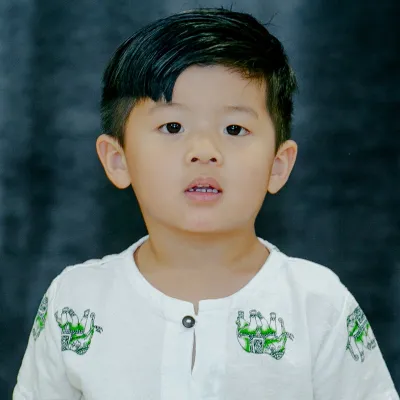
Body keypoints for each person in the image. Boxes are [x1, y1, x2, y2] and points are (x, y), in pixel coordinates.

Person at [13, 7, 399, 400]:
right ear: (118, 160)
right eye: (173, 127)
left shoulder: (319, 305)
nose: (204, 150)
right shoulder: (76, 301)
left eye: (234, 128)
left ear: (278, 165)